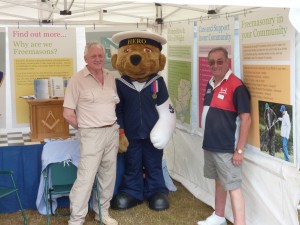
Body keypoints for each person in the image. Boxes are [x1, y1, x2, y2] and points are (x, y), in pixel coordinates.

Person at [63, 41, 120, 225]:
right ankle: (76, 218)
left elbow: (112, 104)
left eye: (100, 56)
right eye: (93, 56)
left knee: (108, 176)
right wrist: (86, 128)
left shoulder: (110, 76)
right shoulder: (77, 79)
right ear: (85, 58)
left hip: (111, 132)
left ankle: (102, 213)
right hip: (91, 134)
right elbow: (68, 113)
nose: (97, 59)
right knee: (86, 178)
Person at [198, 47, 251, 225]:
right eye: (211, 62)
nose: (215, 65)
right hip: (211, 145)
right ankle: (219, 216)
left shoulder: (237, 86)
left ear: (227, 61)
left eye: (219, 61)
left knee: (233, 187)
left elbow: (246, 119)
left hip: (227, 148)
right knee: (219, 182)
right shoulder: (210, 83)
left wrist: (240, 150)